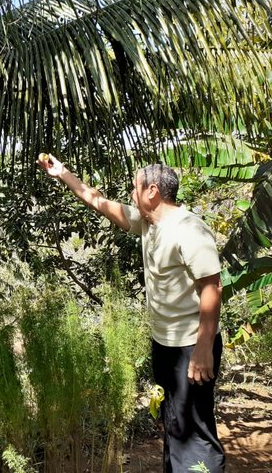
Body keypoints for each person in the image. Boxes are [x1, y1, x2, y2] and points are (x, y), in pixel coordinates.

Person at [36, 154, 226, 473]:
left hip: (192, 347)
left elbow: (212, 288)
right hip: (165, 345)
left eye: (134, 188)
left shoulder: (190, 230)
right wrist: (64, 174)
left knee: (195, 432)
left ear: (152, 191)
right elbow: (101, 203)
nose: (130, 193)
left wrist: (204, 348)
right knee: (175, 424)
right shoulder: (148, 223)